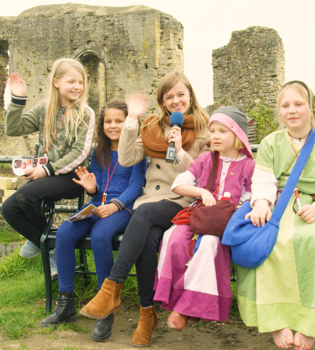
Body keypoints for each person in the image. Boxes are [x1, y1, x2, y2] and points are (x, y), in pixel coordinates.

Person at [79, 71, 210, 346]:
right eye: (169, 96)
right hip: (151, 200)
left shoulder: (204, 126)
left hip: (184, 200)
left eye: (180, 95)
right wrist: (132, 120)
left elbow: (203, 175)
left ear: (190, 95)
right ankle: (146, 314)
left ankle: (111, 288)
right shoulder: (152, 126)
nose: (175, 101)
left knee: (144, 214)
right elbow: (126, 159)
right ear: (163, 101)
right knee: (147, 241)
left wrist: (179, 149)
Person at [40, 100, 146, 340]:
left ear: (128, 123)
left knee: (100, 236)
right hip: (97, 206)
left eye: (119, 121)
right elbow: (97, 187)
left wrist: (115, 205)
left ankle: (104, 308)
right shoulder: (100, 151)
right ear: (102, 125)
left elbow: (136, 185)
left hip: (123, 209)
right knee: (66, 231)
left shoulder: (137, 150)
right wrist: (91, 188)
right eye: (108, 121)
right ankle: (66, 303)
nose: (113, 125)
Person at [153, 106, 255, 330]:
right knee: (173, 237)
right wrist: (203, 192)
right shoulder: (205, 160)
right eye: (213, 131)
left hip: (227, 222)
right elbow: (179, 184)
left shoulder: (248, 165)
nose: (215, 136)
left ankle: (187, 307)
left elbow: (252, 197)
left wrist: (233, 206)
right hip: (200, 214)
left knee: (210, 243)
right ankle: (174, 297)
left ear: (237, 135)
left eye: (223, 131)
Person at [237, 81, 315, 350]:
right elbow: (264, 180)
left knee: (310, 241)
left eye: (298, 104)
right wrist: (260, 203)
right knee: (269, 241)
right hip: (278, 205)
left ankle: (310, 323)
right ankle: (276, 319)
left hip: (311, 206)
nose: (291, 110)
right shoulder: (271, 142)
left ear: (310, 107)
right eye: (285, 105)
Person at [1, 58, 95, 272]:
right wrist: (18, 99)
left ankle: (50, 245)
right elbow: (13, 129)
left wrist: (45, 170)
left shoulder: (85, 113)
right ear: (56, 82)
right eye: (71, 81)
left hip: (74, 177)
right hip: (49, 176)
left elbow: (80, 153)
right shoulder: (45, 108)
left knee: (26, 196)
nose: (77, 87)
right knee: (8, 209)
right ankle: (48, 245)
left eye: (81, 82)